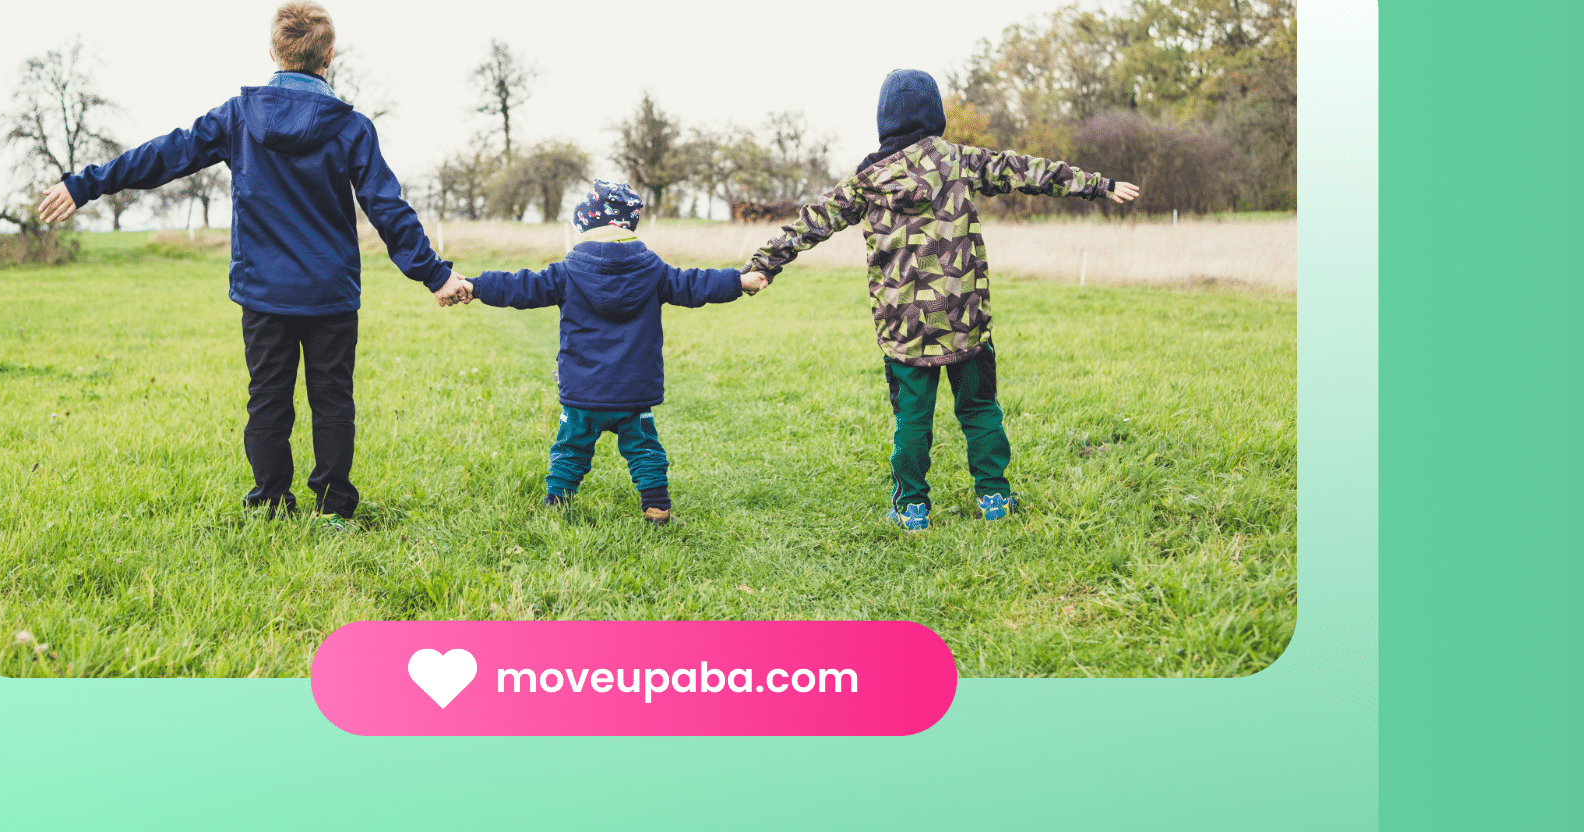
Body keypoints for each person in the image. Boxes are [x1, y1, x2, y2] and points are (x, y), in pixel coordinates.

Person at [36, 0, 470, 529]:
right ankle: (333, 509)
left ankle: (269, 501)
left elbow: (165, 155)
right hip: (329, 292)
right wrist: (435, 274)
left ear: (272, 51)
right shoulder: (352, 127)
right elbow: (387, 207)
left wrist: (85, 184)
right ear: (329, 55)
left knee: (267, 399)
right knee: (332, 399)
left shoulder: (239, 117)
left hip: (264, 292)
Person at [741, 69, 1141, 530]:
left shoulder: (867, 181)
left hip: (905, 329)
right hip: (964, 318)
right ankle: (994, 497)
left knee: (911, 420)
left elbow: (812, 221)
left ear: (884, 121)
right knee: (979, 409)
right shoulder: (958, 161)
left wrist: (764, 263)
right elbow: (1026, 171)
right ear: (935, 114)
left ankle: (912, 507)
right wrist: (1099, 185)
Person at [443, 181, 765, 525]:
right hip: (634, 391)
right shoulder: (653, 270)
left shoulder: (566, 271)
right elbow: (694, 284)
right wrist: (739, 281)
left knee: (571, 448)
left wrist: (475, 286)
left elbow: (521, 286)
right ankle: (657, 506)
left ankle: (557, 505)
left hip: (583, 391)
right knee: (644, 448)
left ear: (585, 224)